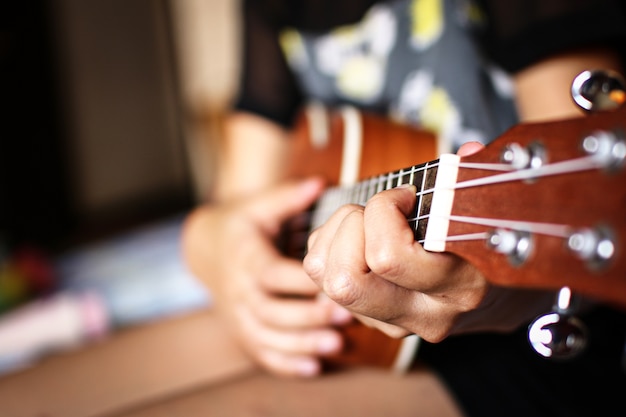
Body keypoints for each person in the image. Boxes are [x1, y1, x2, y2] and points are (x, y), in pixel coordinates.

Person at [182, 0, 626, 415]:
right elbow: (236, 202)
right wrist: (209, 244)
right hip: (343, 331)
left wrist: (499, 297)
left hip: (529, 341)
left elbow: (585, 194)